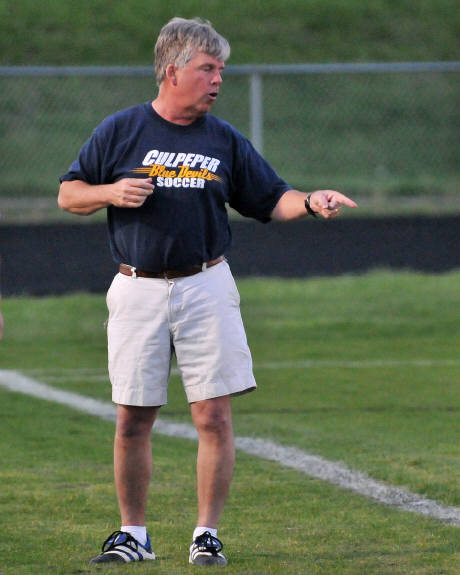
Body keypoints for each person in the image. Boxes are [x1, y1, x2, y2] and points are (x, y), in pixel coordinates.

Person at [58, 17, 357, 567]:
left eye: (221, 70)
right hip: (137, 288)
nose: (218, 79)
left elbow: (272, 198)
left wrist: (311, 202)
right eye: (208, 69)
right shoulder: (121, 129)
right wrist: (110, 192)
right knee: (132, 418)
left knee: (213, 417)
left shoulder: (222, 138)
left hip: (205, 283)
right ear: (172, 71)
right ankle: (133, 535)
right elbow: (68, 194)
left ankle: (206, 535)